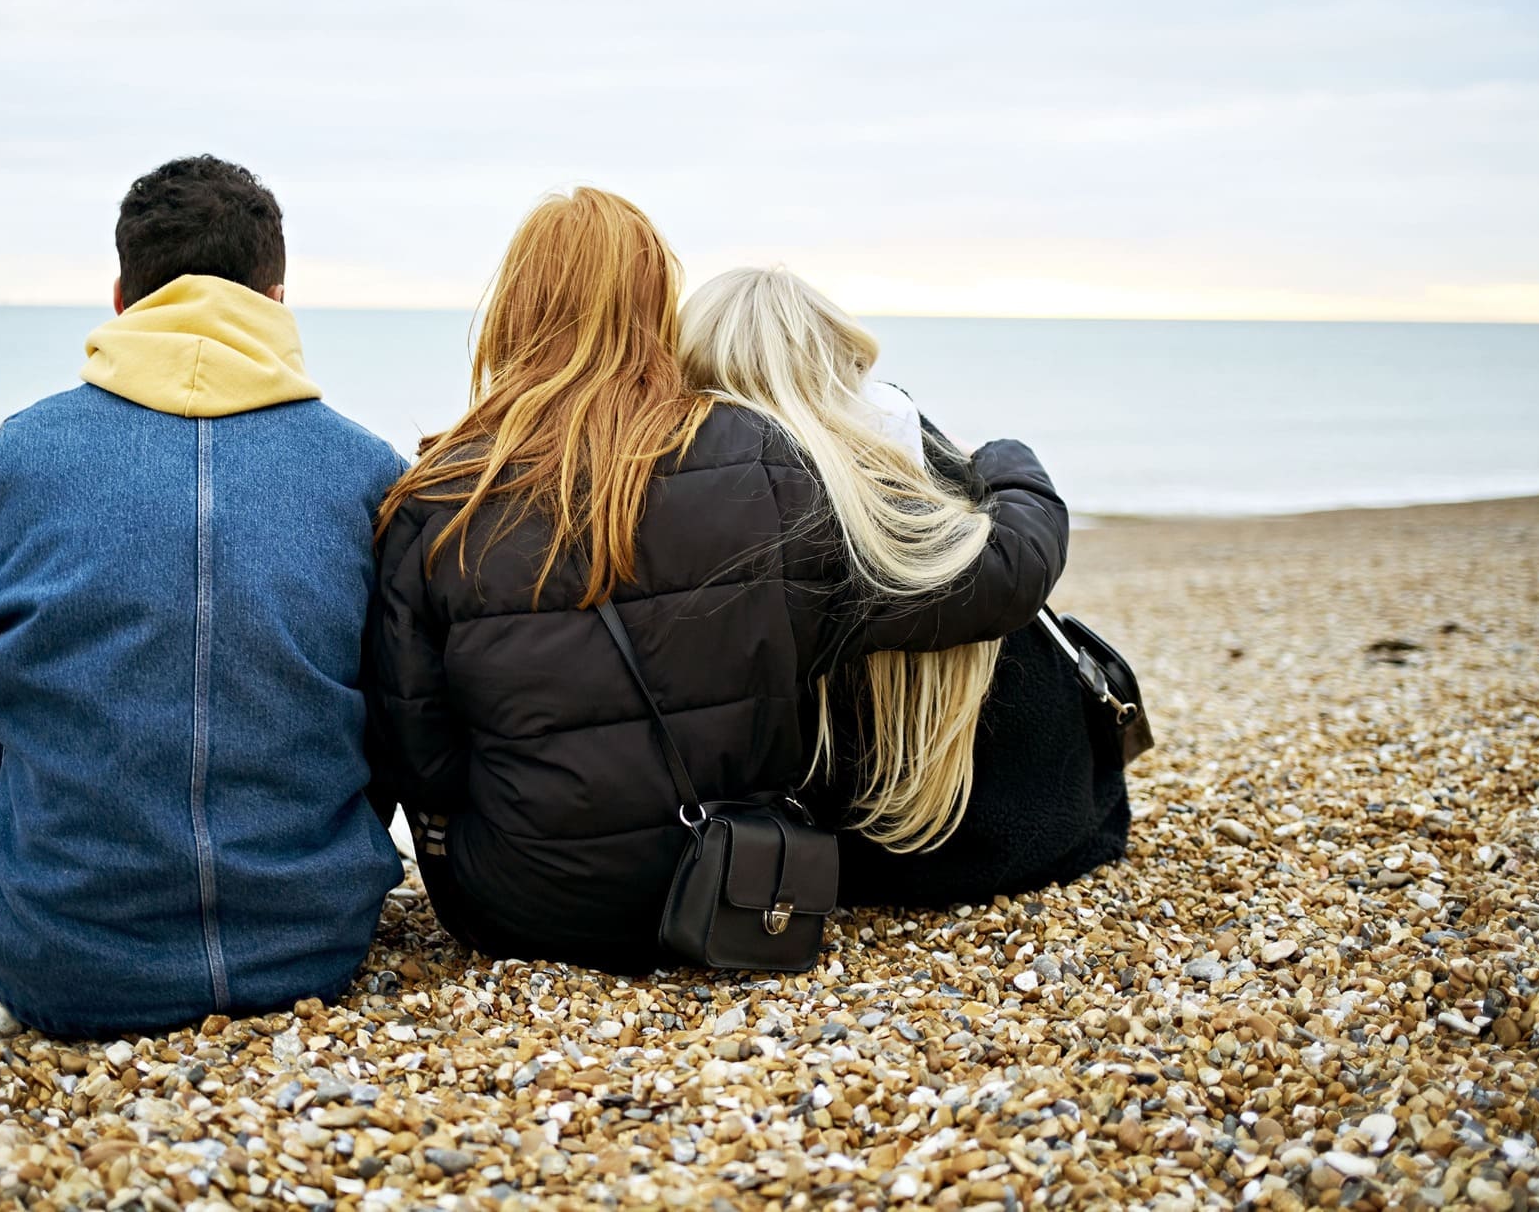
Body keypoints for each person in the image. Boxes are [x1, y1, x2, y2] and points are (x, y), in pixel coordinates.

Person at [368, 188, 1068, 972]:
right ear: (658, 310)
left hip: (515, 907)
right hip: (739, 885)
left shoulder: (435, 500)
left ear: (508, 315)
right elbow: (995, 581)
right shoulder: (760, 460)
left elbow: (418, 758)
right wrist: (1004, 465)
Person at [0, 155, 405, 1036]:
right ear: (278, 299)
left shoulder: (7, 463)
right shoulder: (369, 475)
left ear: (120, 299)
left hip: (61, 960)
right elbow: (398, 724)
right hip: (314, 943)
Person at [677, 268, 1129, 905]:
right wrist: (1000, 458)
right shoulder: (931, 474)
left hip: (845, 866)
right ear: (842, 361)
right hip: (1045, 831)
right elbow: (1023, 544)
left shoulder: (709, 522)